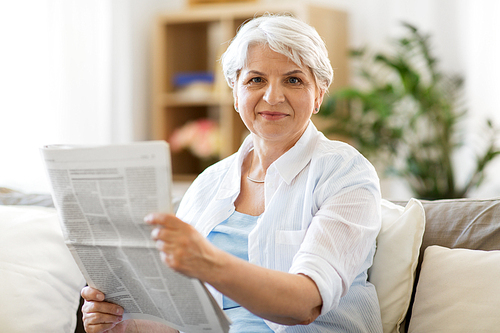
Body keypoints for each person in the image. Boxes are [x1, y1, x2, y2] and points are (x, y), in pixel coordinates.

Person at [81, 14, 383, 333]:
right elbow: (184, 319)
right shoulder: (208, 184)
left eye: (293, 80)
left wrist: (208, 262)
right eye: (256, 80)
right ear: (235, 94)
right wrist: (122, 324)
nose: (272, 97)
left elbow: (305, 304)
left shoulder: (344, 172)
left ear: (319, 93)